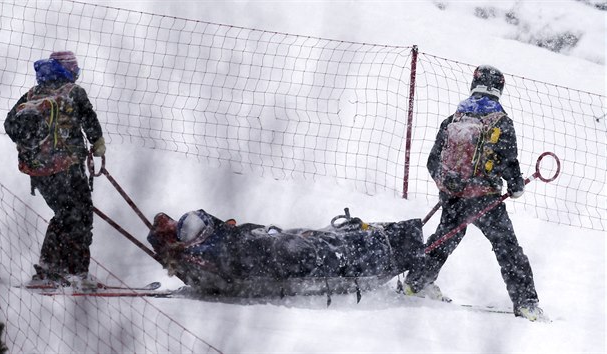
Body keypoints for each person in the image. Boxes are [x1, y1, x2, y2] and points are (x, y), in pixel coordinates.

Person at [403, 65, 547, 322]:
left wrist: (448, 186)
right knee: (507, 248)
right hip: (486, 199)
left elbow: (432, 161)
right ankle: (526, 304)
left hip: (453, 196)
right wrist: (515, 187)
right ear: (498, 89)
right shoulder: (501, 122)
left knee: (446, 237)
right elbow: (508, 162)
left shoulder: (454, 119)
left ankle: (415, 283)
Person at [147, 209, 424, 297]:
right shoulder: (211, 252)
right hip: (276, 252)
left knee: (329, 238)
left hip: (267, 243)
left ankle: (401, 240)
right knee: (334, 248)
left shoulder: (209, 245)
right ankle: (403, 244)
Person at [4, 51, 106, 289]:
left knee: (63, 215)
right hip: (67, 167)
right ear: (69, 70)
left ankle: (49, 270)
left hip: (39, 172)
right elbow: (89, 119)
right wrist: (97, 143)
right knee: (80, 217)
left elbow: (9, 124)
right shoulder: (73, 92)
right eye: (75, 70)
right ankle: (76, 274)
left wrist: (35, 147)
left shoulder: (32, 93)